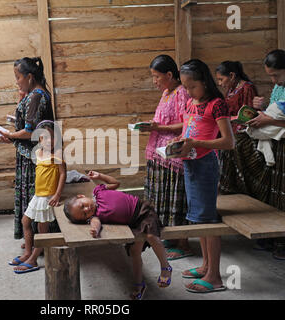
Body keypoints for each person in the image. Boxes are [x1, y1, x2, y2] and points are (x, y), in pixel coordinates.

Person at [63, 171, 172, 300]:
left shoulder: (98, 191)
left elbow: (115, 183)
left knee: (151, 236)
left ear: (81, 196)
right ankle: (139, 285)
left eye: (82, 206)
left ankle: (165, 267)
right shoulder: (95, 216)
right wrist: (94, 230)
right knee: (134, 252)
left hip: (143, 211)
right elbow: (95, 223)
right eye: (84, 214)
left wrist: (100, 176)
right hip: (133, 224)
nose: (86, 210)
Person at [175, 59, 235, 293]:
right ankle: (206, 266)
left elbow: (228, 142)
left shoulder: (217, 104)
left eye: (192, 86)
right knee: (198, 217)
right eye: (185, 87)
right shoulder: (191, 103)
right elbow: (186, 130)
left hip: (205, 165)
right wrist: (178, 143)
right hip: (190, 163)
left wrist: (196, 143)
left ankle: (215, 278)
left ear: (204, 81)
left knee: (209, 220)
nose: (188, 91)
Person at [140, 54, 191, 260]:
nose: (154, 82)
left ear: (170, 74)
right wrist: (151, 126)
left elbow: (185, 123)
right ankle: (169, 235)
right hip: (158, 153)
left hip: (173, 154)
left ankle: (183, 242)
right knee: (162, 197)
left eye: (157, 77)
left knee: (176, 198)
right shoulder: (167, 93)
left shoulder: (181, 93)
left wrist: (158, 127)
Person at [0, 57, 55, 243]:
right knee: (33, 199)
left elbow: (31, 131)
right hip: (32, 154)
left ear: (30, 77)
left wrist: (10, 134)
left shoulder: (36, 96)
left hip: (34, 157)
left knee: (34, 199)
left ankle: (38, 241)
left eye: (18, 77)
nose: (17, 81)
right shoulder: (38, 94)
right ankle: (33, 241)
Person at [10, 121, 66, 273]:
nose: (48, 141)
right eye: (44, 138)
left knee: (43, 231)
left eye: (52, 138)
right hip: (37, 195)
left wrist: (57, 194)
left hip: (48, 197)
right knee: (25, 221)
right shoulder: (38, 153)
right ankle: (28, 252)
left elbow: (62, 174)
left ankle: (33, 259)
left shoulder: (58, 155)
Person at [245, 49, 285, 259]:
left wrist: (268, 120)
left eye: (276, 75)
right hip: (278, 147)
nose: (273, 80)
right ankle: (274, 238)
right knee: (275, 195)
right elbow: (273, 111)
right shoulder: (279, 89)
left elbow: (275, 117)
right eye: (270, 75)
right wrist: (261, 110)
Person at [215, 61, 258, 195]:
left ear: (232, 75)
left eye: (221, 79)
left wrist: (230, 120)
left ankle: (233, 184)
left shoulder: (247, 88)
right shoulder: (231, 89)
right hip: (231, 126)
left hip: (244, 129)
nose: (220, 83)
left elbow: (249, 114)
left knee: (229, 143)